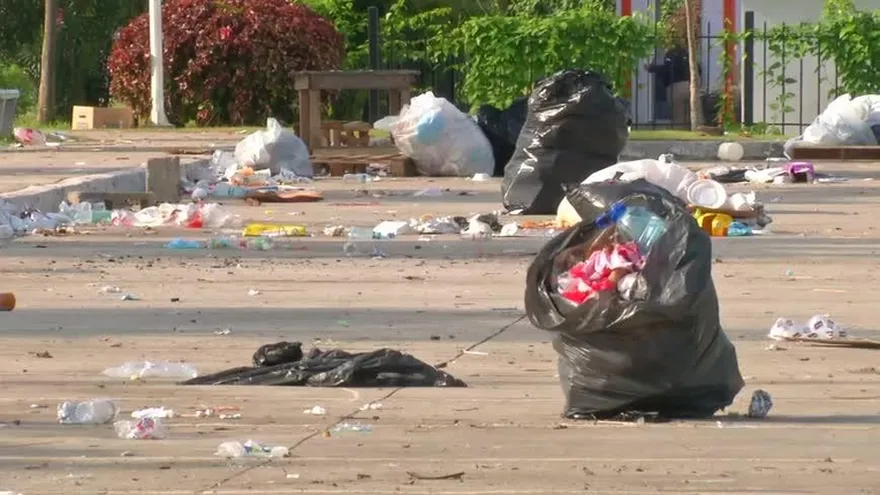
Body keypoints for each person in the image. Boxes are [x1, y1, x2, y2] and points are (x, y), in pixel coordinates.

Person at [646, 44, 698, 127]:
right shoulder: (687, 54)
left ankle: (680, 131)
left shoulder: (671, 54)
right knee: (690, 113)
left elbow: (667, 68)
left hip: (675, 86)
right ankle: (692, 128)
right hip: (689, 85)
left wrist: (652, 68)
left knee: (678, 115)